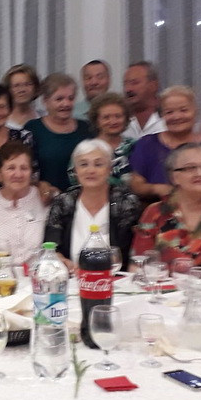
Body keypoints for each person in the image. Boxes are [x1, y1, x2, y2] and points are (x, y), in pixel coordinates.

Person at [43, 139, 141, 272]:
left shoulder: (126, 203)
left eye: (98, 164)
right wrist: (61, 261)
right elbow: (51, 247)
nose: (91, 170)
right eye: (83, 164)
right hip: (72, 278)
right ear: (75, 171)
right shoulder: (63, 202)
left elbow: (133, 252)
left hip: (116, 279)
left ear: (109, 169)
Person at [131, 143, 201, 274]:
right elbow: (137, 266)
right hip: (165, 285)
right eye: (190, 168)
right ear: (174, 177)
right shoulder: (156, 212)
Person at [129, 85, 201, 200]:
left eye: (184, 110)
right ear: (162, 115)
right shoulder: (146, 143)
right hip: (157, 206)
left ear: (195, 111)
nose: (177, 116)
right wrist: (158, 189)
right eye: (169, 112)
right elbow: (136, 185)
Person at [24, 73, 93, 196]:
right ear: (45, 101)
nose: (66, 104)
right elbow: (24, 168)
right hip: (45, 199)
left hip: (83, 198)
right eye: (59, 99)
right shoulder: (32, 129)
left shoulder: (86, 128)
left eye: (70, 98)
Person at [68, 92, 134, 188]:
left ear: (126, 119)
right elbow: (74, 179)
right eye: (106, 117)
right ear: (96, 121)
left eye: (118, 116)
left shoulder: (136, 146)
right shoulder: (84, 149)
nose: (113, 121)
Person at [122, 61, 164, 140]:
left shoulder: (170, 118)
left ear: (153, 85)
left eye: (134, 83)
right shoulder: (119, 122)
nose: (128, 89)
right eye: (125, 84)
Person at [3, 64, 43, 129]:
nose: (22, 90)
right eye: (16, 85)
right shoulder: (0, 122)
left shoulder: (45, 120)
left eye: (27, 84)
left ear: (36, 88)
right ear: (8, 89)